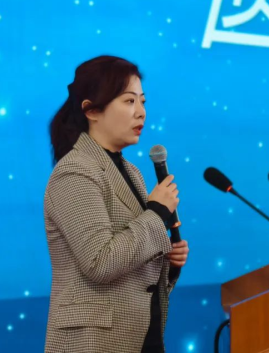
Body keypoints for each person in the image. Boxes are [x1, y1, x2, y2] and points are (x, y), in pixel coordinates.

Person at [44, 55, 190, 352]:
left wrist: (168, 261)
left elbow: (132, 257)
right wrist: (156, 213)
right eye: (129, 101)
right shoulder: (75, 171)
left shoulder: (131, 172)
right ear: (91, 110)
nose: (141, 112)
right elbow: (100, 262)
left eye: (143, 102)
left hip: (141, 336)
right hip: (93, 342)